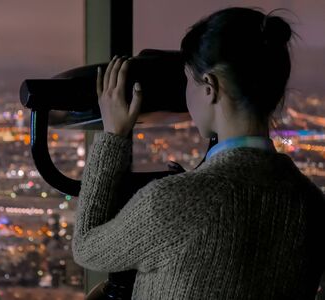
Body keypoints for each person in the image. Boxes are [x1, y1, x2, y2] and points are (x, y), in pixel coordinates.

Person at [71, 6, 325, 300]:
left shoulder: (176, 201)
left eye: (188, 81)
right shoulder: (311, 203)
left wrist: (112, 137)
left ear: (209, 88)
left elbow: (87, 247)